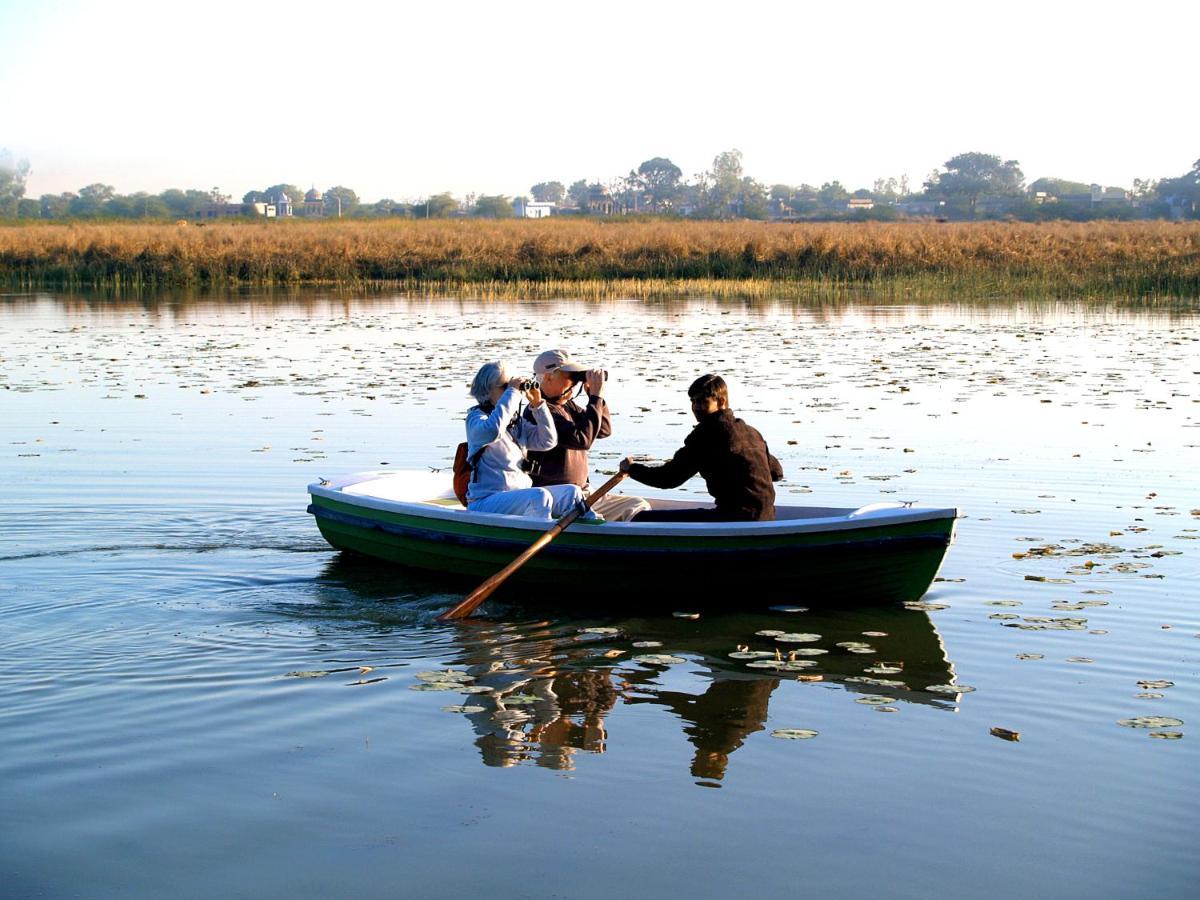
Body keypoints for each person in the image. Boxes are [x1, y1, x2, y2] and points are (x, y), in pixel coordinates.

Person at [619, 373, 783, 522]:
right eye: (693, 401)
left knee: (642, 519)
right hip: (767, 517)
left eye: (703, 401)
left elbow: (669, 478)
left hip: (733, 518)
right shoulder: (751, 432)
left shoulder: (706, 434)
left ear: (721, 401)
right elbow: (776, 473)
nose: (696, 407)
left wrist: (632, 469)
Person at [525, 349, 651, 522]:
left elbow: (603, 430)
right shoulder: (539, 411)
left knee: (636, 505)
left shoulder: (567, 405)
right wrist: (595, 397)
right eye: (570, 377)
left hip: (585, 493)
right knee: (595, 520)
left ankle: (637, 539)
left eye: (578, 378)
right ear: (548, 377)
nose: (575, 384)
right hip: (558, 498)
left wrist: (597, 397)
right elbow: (582, 440)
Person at [464, 361, 590, 518]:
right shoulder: (476, 419)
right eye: (505, 387)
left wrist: (538, 405)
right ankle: (539, 534)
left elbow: (547, 441)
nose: (512, 391)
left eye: (513, 388)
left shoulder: (515, 423)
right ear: (487, 391)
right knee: (539, 496)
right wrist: (513, 391)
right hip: (486, 501)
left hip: (519, 496)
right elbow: (492, 431)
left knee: (571, 492)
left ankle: (595, 534)